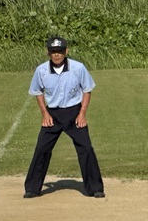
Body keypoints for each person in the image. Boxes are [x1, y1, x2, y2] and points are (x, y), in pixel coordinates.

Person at [23, 36, 104, 199]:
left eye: (60, 51)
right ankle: (32, 188)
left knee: (86, 148)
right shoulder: (41, 70)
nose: (56, 55)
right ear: (48, 52)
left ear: (66, 51)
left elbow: (87, 90)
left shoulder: (78, 68)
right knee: (41, 149)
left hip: (74, 112)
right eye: (53, 51)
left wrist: (82, 114)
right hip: (53, 114)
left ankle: (95, 188)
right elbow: (38, 91)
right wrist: (44, 114)